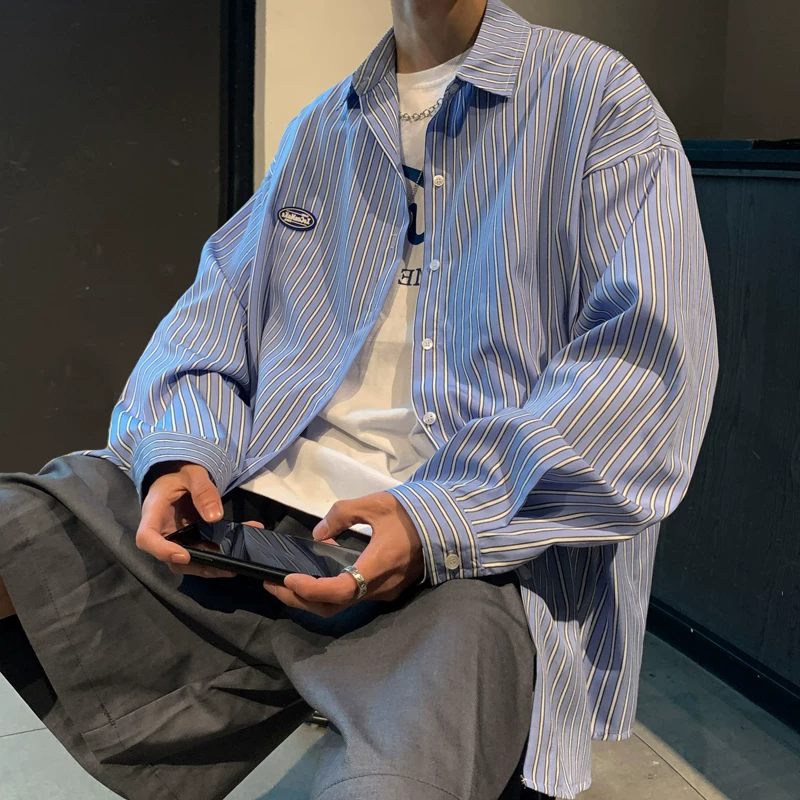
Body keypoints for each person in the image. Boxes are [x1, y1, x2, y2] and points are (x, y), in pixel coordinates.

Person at [0, 0, 719, 798]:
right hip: (251, 520)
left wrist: (436, 519)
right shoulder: (322, 130)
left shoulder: (599, 102)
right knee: (18, 525)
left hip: (465, 564)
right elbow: (213, 315)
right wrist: (184, 450)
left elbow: (644, 373)